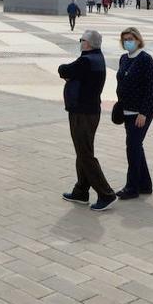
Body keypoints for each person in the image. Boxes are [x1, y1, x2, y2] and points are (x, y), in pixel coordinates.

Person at [58, 29, 116, 212]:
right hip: (90, 111)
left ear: (88, 43)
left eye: (81, 39)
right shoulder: (97, 58)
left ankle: (106, 194)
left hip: (83, 113)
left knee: (85, 154)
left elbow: (64, 69)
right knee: (83, 150)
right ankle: (81, 190)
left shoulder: (86, 60)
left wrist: (67, 73)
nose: (80, 42)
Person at [115, 27, 153, 200]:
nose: (128, 42)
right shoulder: (124, 58)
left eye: (130, 38)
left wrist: (143, 113)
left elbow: (150, 88)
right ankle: (145, 184)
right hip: (126, 110)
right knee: (136, 146)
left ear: (138, 40)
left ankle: (132, 187)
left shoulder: (145, 59)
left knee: (132, 147)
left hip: (141, 112)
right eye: (125, 39)